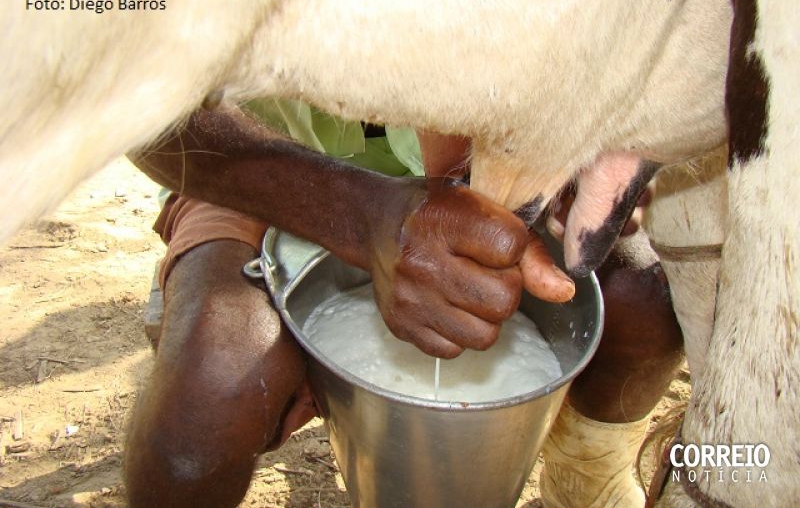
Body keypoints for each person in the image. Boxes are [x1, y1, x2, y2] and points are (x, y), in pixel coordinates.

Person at [125, 101, 682, 507]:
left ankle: (587, 475)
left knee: (641, 300)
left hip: (475, 159)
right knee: (198, 429)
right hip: (247, 167)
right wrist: (362, 216)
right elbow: (142, 108)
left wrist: (569, 145)